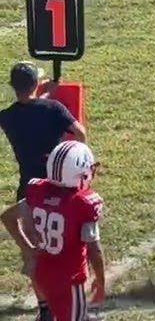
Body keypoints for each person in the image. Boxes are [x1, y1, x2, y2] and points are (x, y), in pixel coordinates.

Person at [0, 62, 86, 321]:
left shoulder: (7, 117)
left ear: (13, 86)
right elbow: (80, 134)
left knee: (35, 251)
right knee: (66, 248)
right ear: (36, 83)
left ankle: (45, 307)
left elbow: (27, 110)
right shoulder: (54, 109)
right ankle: (69, 299)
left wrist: (42, 94)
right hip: (56, 184)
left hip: (28, 189)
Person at [20, 140, 106, 321]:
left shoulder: (38, 190)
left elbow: (15, 218)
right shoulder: (82, 203)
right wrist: (100, 281)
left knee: (56, 312)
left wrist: (28, 246)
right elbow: (94, 250)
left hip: (43, 271)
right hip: (69, 278)